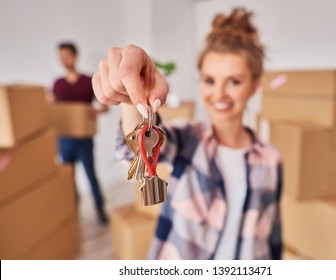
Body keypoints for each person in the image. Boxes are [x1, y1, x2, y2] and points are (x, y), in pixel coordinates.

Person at [93, 8, 283, 259]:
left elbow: (273, 236)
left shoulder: (271, 159)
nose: (219, 93)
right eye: (209, 80)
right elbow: (137, 150)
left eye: (234, 81)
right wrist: (133, 98)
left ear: (254, 86)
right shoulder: (188, 138)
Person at [52, 42, 109, 225]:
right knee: (68, 177)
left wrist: (96, 112)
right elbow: (53, 109)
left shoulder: (88, 81)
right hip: (65, 139)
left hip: (85, 139)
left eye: (67, 56)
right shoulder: (57, 84)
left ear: (76, 57)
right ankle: (71, 210)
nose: (64, 60)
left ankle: (100, 209)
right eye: (61, 57)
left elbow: (104, 107)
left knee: (91, 175)